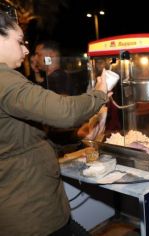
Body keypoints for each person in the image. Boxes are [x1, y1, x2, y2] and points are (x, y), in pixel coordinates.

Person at [0, 10, 110, 235]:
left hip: (30, 206)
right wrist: (100, 92)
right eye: (20, 42)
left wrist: (75, 139)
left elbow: (24, 137)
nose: (26, 50)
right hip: (30, 214)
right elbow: (65, 112)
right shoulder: (5, 80)